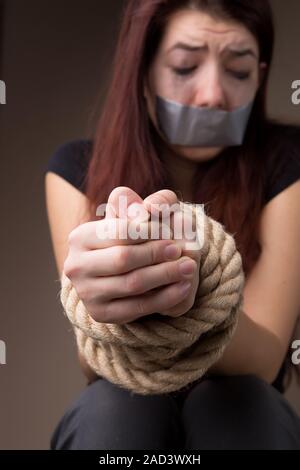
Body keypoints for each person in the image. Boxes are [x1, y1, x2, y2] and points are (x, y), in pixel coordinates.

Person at [44, 0, 300, 450]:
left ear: (260, 77)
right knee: (114, 407)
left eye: (238, 72)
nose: (212, 95)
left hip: (247, 408)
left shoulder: (290, 162)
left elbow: (264, 360)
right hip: (118, 410)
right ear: (143, 74)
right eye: (185, 66)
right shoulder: (75, 168)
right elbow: (93, 359)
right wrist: (118, 299)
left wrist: (191, 292)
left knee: (244, 403)